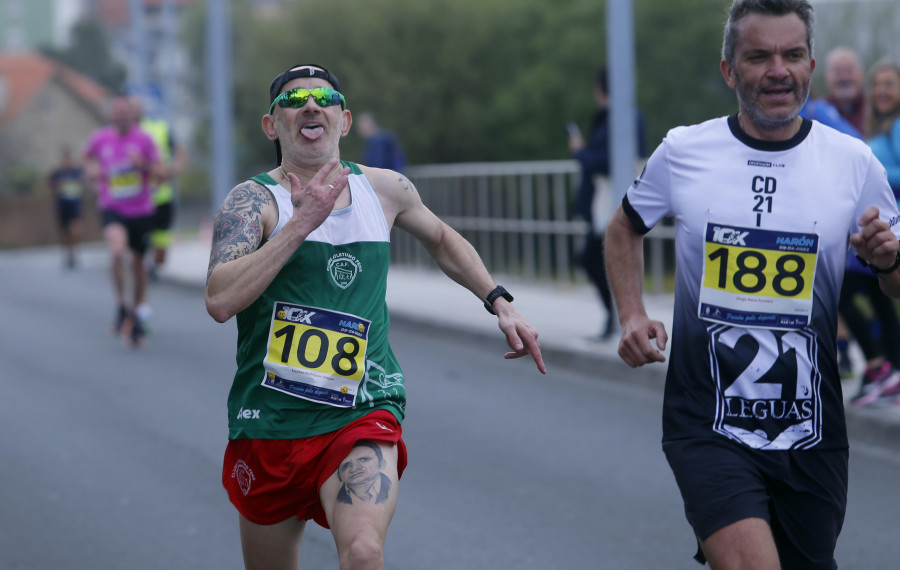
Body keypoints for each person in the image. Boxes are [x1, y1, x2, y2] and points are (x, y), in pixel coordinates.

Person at [205, 64, 546, 570]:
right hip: (271, 424)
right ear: (271, 125)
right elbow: (220, 300)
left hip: (360, 411)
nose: (310, 105)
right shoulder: (253, 201)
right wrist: (300, 224)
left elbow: (442, 239)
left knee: (363, 554)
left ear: (343, 120)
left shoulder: (386, 190)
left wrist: (500, 301)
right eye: (294, 98)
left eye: (325, 97)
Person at [604, 1, 900, 568]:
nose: (778, 71)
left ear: (811, 64)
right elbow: (624, 226)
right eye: (758, 56)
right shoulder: (685, 151)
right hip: (707, 420)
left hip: (812, 430)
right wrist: (631, 314)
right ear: (729, 70)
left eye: (791, 55)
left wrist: (888, 261)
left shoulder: (853, 163)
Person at [568, 67, 646, 340]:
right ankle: (621, 318)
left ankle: (620, 318)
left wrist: (581, 153)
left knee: (594, 257)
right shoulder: (631, 115)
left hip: (612, 201)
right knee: (603, 258)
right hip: (619, 199)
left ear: (600, 90)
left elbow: (607, 161)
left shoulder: (614, 118)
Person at [83, 95, 161, 349]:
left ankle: (136, 315)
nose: (121, 116)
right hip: (112, 207)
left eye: (125, 112)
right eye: (117, 112)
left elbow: (161, 171)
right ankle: (120, 304)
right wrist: (92, 172)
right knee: (117, 250)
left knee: (139, 267)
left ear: (132, 115)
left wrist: (144, 165)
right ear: (111, 116)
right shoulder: (100, 138)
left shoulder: (145, 139)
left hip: (141, 211)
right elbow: (86, 158)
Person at [854, 57, 900, 406]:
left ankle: (881, 366)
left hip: (894, 228)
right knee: (880, 297)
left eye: (890, 83)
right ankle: (889, 371)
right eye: (878, 84)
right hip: (881, 229)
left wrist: (872, 174)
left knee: (842, 287)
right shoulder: (880, 127)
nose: (882, 90)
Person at [130, 97, 188, 282]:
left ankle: (153, 267)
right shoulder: (122, 135)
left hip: (162, 196)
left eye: (135, 108)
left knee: (161, 250)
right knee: (139, 243)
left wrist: (172, 170)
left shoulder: (160, 129)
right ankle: (142, 269)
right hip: (136, 199)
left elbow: (180, 154)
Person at [47, 146, 86, 269]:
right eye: (64, 159)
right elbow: (49, 187)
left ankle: (75, 252)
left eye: (68, 158)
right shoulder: (57, 173)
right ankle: (68, 254)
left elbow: (84, 184)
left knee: (75, 230)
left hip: (75, 206)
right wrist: (57, 186)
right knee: (65, 233)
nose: (66, 161)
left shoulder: (77, 171)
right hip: (62, 206)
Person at [824, 47, 866, 134]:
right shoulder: (815, 113)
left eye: (849, 70)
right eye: (837, 71)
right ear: (827, 77)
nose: (844, 77)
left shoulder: (876, 109)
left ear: (861, 74)